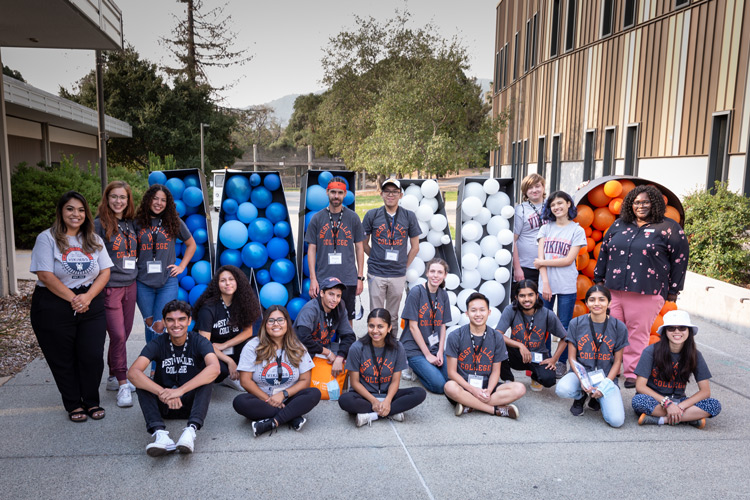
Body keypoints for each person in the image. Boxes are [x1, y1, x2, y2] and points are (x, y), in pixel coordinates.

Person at [594, 184, 689, 389]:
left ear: (654, 203)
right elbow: (605, 251)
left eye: (645, 202)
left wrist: (674, 290)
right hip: (613, 288)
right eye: (637, 202)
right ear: (630, 204)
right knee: (611, 330)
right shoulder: (619, 225)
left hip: (647, 290)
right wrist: (598, 280)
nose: (641, 206)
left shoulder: (669, 227)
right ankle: (609, 369)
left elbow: (680, 260)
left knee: (637, 333)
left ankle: (631, 372)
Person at [30, 191, 113, 422]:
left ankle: (91, 400)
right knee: (62, 357)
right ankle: (74, 404)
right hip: (53, 304)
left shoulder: (93, 239)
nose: (75, 214)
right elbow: (45, 275)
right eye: (70, 209)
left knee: (92, 355)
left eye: (80, 210)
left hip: (90, 302)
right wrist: (74, 299)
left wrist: (86, 298)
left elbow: (105, 271)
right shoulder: (46, 238)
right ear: (61, 212)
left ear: (86, 214)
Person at [129, 300, 219, 456]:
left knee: (207, 378)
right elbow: (133, 373)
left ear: (189, 321)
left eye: (181, 319)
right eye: (170, 320)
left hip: (191, 405)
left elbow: (215, 368)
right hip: (163, 403)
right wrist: (162, 392)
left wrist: (180, 391)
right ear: (164, 322)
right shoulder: (157, 343)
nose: (176, 324)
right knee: (141, 383)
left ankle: (190, 432)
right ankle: (161, 435)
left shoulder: (199, 341)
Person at [232, 306, 322, 436]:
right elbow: (245, 381)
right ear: (265, 324)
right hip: (263, 399)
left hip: (289, 397)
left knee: (314, 393)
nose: (276, 324)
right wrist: (269, 399)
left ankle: (272, 422)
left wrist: (283, 394)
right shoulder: (252, 346)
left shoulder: (297, 346)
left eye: (280, 320)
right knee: (240, 402)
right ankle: (292, 416)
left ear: (287, 323)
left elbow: (305, 380)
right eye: (271, 320)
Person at [135, 184, 196, 366]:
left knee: (160, 325)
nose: (159, 203)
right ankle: (155, 361)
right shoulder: (137, 222)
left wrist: (182, 266)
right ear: (148, 200)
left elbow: (191, 244)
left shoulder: (173, 221)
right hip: (142, 282)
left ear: (168, 203)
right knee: (151, 324)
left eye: (163, 200)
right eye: (155, 199)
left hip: (167, 281)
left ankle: (155, 369)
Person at [632, 310, 721, 429]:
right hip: (656, 400)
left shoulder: (695, 355)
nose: (677, 332)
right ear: (665, 332)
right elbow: (640, 386)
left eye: (682, 328)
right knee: (638, 401)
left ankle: (661, 420)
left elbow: (705, 391)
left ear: (689, 331)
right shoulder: (650, 351)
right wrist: (667, 404)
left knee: (714, 405)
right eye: (671, 328)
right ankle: (689, 419)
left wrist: (681, 406)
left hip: (680, 402)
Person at [555, 285, 628, 427]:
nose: (597, 303)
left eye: (602, 299)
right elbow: (572, 358)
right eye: (592, 300)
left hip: (606, 377)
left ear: (609, 303)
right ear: (587, 303)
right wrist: (583, 381)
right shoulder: (576, 323)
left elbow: (618, 361)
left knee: (616, 421)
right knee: (562, 389)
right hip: (581, 374)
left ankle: (598, 397)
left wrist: (605, 385)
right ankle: (581, 396)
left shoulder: (619, 327)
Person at [340, 308, 426, 427]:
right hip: (364, 396)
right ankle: (391, 412)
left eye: (380, 326)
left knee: (419, 393)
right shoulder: (356, 347)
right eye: (371, 326)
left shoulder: (398, 347)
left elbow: (396, 381)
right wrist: (374, 401)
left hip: (387, 394)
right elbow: (354, 383)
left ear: (389, 328)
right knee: (344, 400)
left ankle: (372, 415)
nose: (375, 331)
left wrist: (388, 400)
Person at [444, 292, 525, 418]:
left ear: (489, 312)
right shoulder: (455, 336)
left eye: (482, 310)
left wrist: (488, 390)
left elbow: (495, 371)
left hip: (487, 388)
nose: (478, 314)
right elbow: (451, 373)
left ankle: (469, 405)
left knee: (520, 388)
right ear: (467, 313)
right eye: (473, 310)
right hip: (464, 387)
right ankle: (494, 410)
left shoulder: (497, 337)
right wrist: (473, 390)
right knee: (449, 387)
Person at [95, 181, 139, 408]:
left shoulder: (131, 223)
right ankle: (123, 383)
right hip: (110, 287)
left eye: (122, 197)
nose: (118, 201)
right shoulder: (98, 225)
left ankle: (113, 376)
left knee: (123, 334)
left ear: (128, 200)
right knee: (119, 335)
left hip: (130, 286)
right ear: (107, 198)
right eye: (113, 196)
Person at [534, 190, 586, 377]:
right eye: (553, 205)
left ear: (569, 204)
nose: (556, 207)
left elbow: (568, 260)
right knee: (543, 324)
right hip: (546, 283)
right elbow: (539, 258)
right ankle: (545, 358)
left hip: (566, 284)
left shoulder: (577, 230)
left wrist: (543, 263)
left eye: (560, 203)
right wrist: (545, 283)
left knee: (564, 326)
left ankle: (561, 361)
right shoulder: (545, 228)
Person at [362, 178, 420, 336]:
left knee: (393, 316)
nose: (390, 194)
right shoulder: (372, 215)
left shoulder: (409, 216)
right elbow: (363, 243)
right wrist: (375, 257)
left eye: (394, 191)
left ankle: (391, 346)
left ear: (400, 195)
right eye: (387, 191)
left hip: (397, 274)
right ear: (381, 194)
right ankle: (374, 347)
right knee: (376, 315)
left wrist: (403, 265)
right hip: (376, 273)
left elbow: (415, 247)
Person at [305, 176, 365, 324]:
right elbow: (311, 249)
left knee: (347, 319)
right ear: (327, 192)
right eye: (333, 192)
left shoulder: (353, 218)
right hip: (324, 278)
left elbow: (359, 247)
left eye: (339, 192)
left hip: (348, 278)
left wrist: (359, 278)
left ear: (345, 194)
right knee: (321, 320)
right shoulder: (317, 218)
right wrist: (313, 279)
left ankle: (347, 347)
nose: (336, 196)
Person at [194, 265, 261, 391]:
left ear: (238, 282)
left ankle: (239, 375)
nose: (228, 283)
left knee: (257, 344)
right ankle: (228, 376)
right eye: (223, 280)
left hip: (226, 346)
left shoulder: (242, 302)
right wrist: (229, 361)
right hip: (209, 349)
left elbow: (248, 332)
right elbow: (204, 343)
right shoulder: (208, 308)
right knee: (220, 369)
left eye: (231, 279)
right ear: (217, 284)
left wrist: (224, 345)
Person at [495, 279, 567, 391]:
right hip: (516, 354)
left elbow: (565, 338)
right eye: (522, 296)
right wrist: (520, 345)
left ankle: (536, 376)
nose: (527, 299)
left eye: (530, 295)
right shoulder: (510, 310)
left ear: (537, 296)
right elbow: (497, 334)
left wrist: (554, 359)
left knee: (549, 380)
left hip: (538, 355)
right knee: (497, 344)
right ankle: (508, 379)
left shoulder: (547, 314)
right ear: (516, 298)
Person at [400, 258, 453, 394]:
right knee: (440, 386)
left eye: (440, 272)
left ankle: (427, 367)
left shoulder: (443, 295)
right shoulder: (416, 293)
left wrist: (440, 351)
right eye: (433, 271)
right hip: (414, 348)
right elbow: (412, 327)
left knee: (451, 379)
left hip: (434, 347)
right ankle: (415, 369)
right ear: (427, 273)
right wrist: (428, 355)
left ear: (445, 275)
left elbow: (442, 325)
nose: (436, 275)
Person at [293, 277, 356, 379]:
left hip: (321, 348)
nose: (335, 299)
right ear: (322, 293)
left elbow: (349, 336)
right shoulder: (311, 309)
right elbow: (303, 338)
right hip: (300, 350)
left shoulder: (340, 308)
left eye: (338, 296)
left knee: (353, 351)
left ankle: (341, 389)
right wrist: (328, 353)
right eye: (331, 294)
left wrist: (340, 357)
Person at [512, 173, 547, 288]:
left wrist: (580, 188)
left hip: (548, 265)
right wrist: (517, 268)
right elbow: (513, 240)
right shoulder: (520, 210)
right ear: (525, 192)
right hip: (526, 267)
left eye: (537, 186)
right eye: (530, 188)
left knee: (544, 304)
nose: (534, 190)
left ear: (543, 187)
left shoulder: (552, 206)